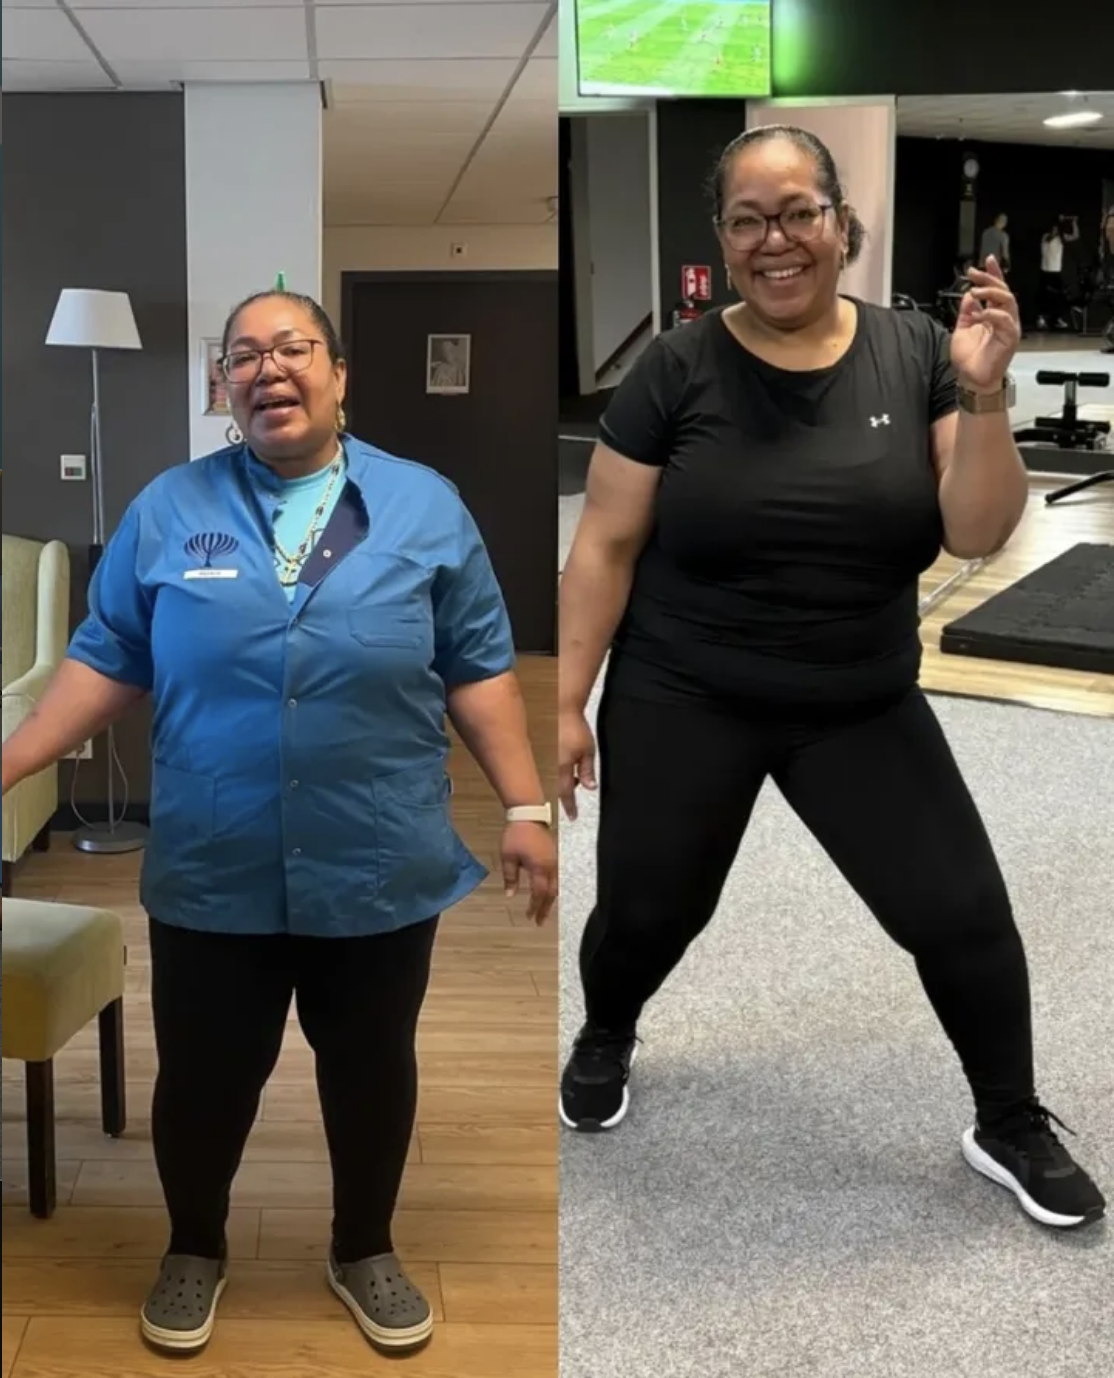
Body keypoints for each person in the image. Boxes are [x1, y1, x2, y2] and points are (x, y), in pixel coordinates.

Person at [556, 124, 1105, 1233]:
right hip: (684, 689)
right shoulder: (676, 366)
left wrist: (985, 396)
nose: (776, 239)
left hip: (856, 697)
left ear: (841, 225)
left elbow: (976, 531)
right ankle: (608, 1028)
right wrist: (566, 701)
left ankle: (1007, 1120)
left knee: (960, 913)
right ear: (721, 237)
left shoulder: (912, 353)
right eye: (749, 218)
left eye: (798, 211)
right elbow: (604, 545)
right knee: (649, 913)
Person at [1, 289, 558, 1354]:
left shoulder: (423, 505)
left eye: (294, 347)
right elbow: (105, 657)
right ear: (222, 386)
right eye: (244, 354)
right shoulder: (171, 507)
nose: (269, 368)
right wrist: (9, 760)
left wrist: (525, 805)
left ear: (340, 375)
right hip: (217, 854)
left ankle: (364, 1247)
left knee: (369, 1064)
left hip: (377, 853)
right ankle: (194, 1245)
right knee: (207, 1074)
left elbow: (478, 665)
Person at [1036, 216, 1077, 330]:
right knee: (1047, 297)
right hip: (1048, 271)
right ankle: (1044, 319)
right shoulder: (1048, 237)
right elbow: (1074, 236)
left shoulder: (1058, 238)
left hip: (1052, 271)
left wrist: (1073, 223)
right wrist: (1071, 221)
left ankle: (1055, 319)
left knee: (1056, 297)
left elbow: (1075, 236)